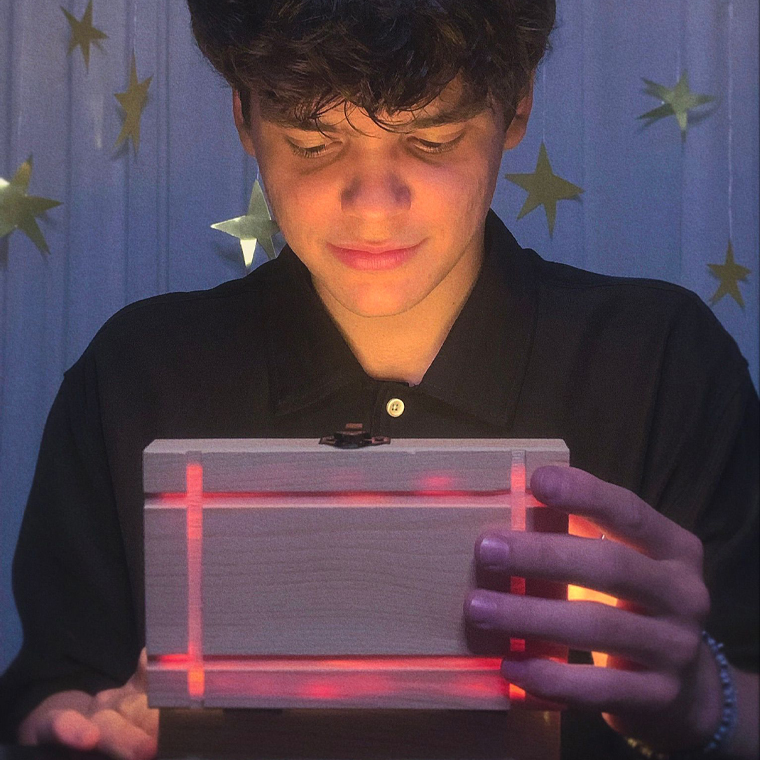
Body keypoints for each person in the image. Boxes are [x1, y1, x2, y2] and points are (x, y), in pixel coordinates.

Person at [0, 1, 757, 758]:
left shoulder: (661, 365)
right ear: (244, 116)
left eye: (432, 140)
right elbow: (60, 684)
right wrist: (79, 727)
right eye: (312, 143)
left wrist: (701, 698)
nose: (371, 205)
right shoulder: (138, 374)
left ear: (517, 105)